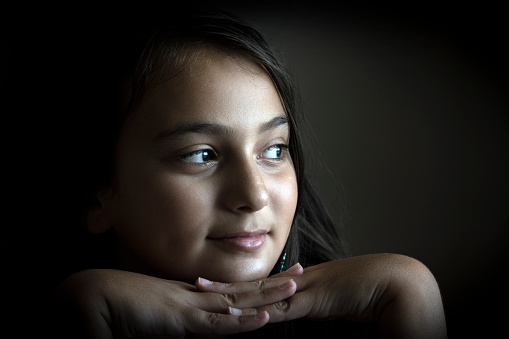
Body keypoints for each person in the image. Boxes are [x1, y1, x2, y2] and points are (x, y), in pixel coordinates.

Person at [52, 7, 447, 338]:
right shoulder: (73, 313)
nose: (254, 195)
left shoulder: (374, 316)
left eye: (274, 150)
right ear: (97, 193)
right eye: (200, 155)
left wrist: (413, 295)